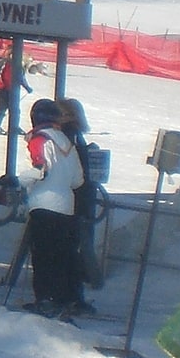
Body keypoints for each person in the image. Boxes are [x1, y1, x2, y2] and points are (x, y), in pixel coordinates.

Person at [22, 97, 83, 314]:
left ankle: (44, 297)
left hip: (43, 203)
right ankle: (63, 296)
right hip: (67, 205)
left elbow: (40, 170)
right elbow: (78, 180)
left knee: (43, 253)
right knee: (62, 253)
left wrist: (19, 179)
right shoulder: (68, 143)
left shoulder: (39, 139)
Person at [60, 97, 101, 313]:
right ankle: (74, 294)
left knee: (67, 249)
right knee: (74, 248)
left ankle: (69, 296)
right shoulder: (76, 136)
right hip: (80, 198)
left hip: (70, 199)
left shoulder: (67, 135)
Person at [0, 53, 31, 133]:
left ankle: (6, 126)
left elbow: (20, 77)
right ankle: (1, 126)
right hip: (6, 90)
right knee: (7, 109)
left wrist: (27, 87)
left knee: (9, 109)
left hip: (7, 90)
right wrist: (27, 88)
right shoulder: (9, 64)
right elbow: (20, 78)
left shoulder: (12, 64)